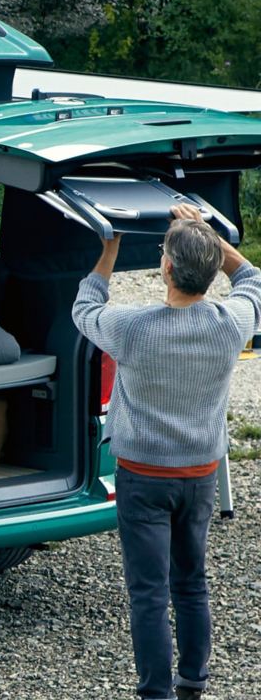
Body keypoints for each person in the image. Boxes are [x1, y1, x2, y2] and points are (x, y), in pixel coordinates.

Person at [71, 204, 261, 700]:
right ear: (207, 268)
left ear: (167, 268)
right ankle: (193, 683)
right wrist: (209, 237)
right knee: (192, 584)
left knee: (149, 594)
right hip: (199, 475)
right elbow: (252, 280)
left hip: (142, 476)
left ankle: (155, 693)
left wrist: (108, 251)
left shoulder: (133, 328)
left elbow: (84, 309)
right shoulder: (229, 325)